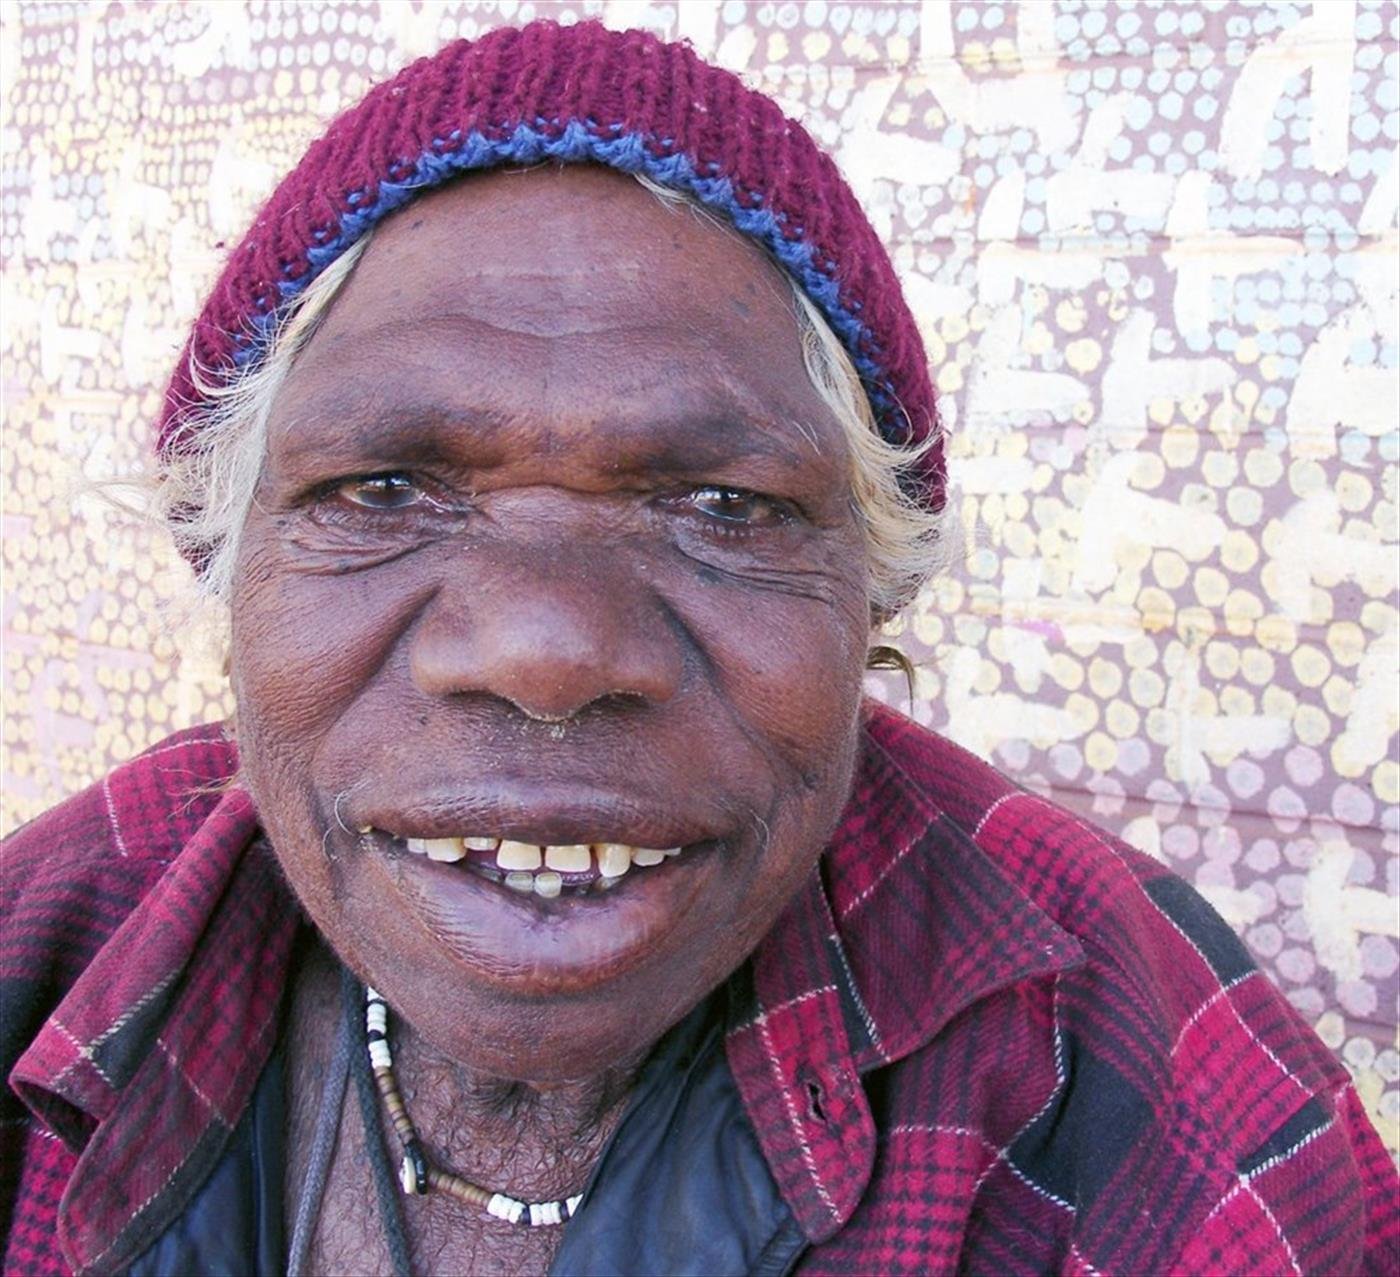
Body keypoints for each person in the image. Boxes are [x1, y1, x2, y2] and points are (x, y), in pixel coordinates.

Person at [1, 19, 1395, 1277]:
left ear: (871, 599)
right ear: (229, 564)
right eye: (380, 492)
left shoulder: (1135, 1086)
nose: (546, 648)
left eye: (723, 505)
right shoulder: (50, 946)